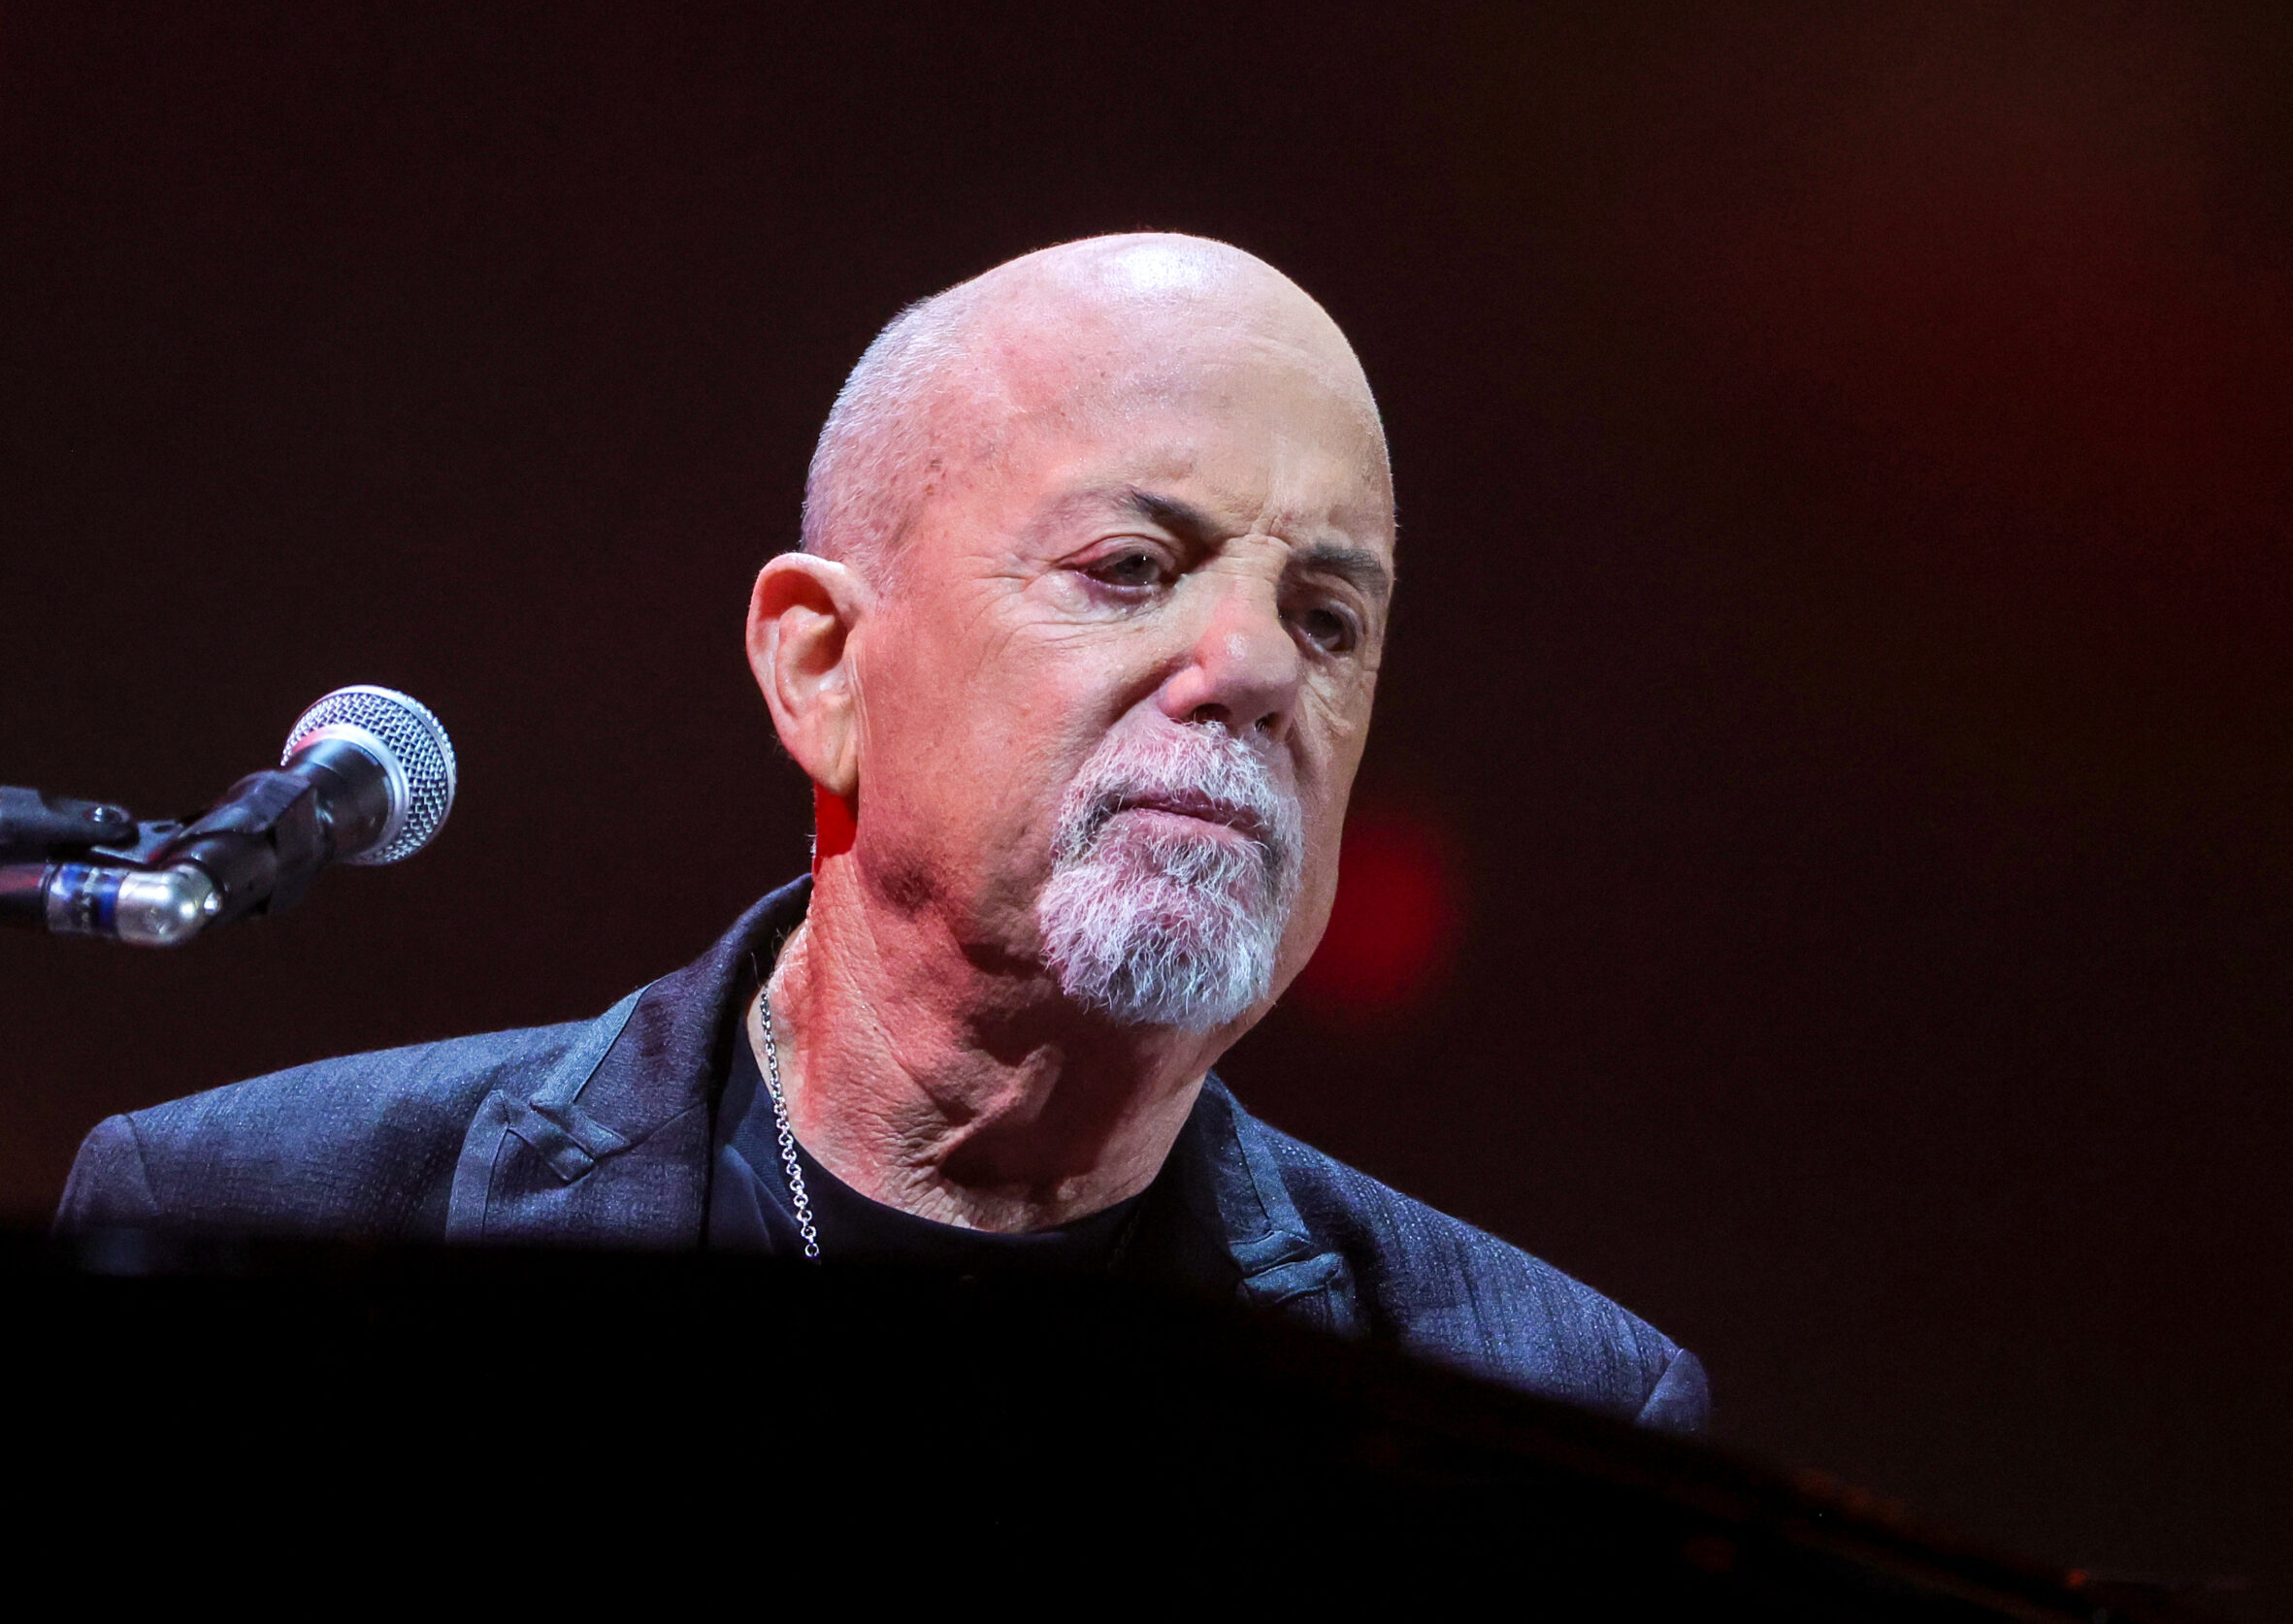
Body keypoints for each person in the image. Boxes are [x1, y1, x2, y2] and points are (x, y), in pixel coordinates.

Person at [55, 234, 1707, 1434]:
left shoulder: (1548, 1407)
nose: (1258, 666)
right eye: (1131, 569)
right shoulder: (254, 1219)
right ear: (824, 668)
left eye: (1328, 617)